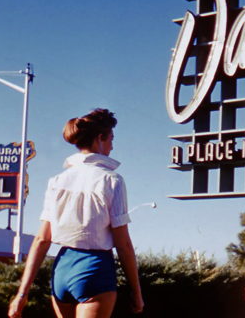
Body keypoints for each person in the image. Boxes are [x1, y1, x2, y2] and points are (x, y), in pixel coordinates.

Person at [8, 108, 144, 318]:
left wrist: (22, 293)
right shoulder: (112, 180)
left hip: (62, 268)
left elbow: (42, 240)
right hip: (95, 268)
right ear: (100, 138)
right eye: (111, 139)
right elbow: (123, 244)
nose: (112, 146)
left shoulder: (57, 181)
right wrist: (137, 291)